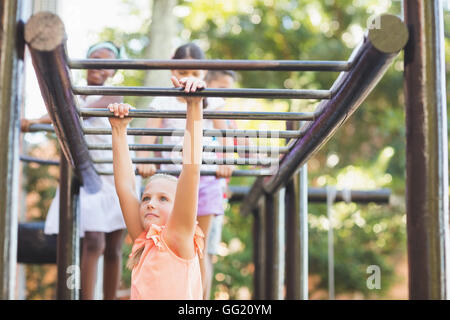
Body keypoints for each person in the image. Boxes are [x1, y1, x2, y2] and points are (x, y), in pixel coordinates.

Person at [21, 42, 139, 300]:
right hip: (89, 178)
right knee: (94, 240)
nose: (99, 66)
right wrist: (33, 121)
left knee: (113, 247)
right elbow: (61, 108)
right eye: (94, 58)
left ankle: (108, 297)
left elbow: (77, 113)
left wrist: (40, 120)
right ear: (85, 61)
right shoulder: (72, 92)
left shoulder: (113, 94)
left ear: (113, 72)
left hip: (115, 174)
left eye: (107, 63)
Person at [136, 43, 234, 299]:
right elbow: (148, 135)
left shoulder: (211, 98)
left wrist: (226, 160)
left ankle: (201, 300)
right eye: (181, 71)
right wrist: (145, 159)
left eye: (193, 72)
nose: (187, 78)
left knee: (200, 246)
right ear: (172, 70)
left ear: (204, 72)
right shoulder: (164, 100)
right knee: (173, 242)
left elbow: (225, 133)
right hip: (172, 181)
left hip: (207, 179)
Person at [107, 76, 207, 299]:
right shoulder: (144, 241)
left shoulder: (179, 238)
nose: (150, 203)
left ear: (180, 206)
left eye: (163, 199)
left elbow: (191, 168)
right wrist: (119, 129)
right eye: (146, 198)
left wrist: (194, 104)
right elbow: (125, 186)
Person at [203, 70, 238, 299]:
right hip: (199, 182)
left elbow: (238, 148)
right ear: (207, 82)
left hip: (216, 189)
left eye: (229, 89)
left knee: (207, 251)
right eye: (221, 86)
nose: (225, 94)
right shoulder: (206, 108)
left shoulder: (227, 117)